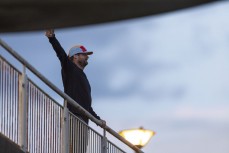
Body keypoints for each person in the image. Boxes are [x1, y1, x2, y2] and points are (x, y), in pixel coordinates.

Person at [45, 29, 105, 152]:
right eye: (84, 54)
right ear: (75, 56)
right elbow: (60, 54)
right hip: (73, 116)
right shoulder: (69, 68)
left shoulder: (83, 77)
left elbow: (86, 105)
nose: (87, 57)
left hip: (84, 120)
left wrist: (97, 120)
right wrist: (52, 38)